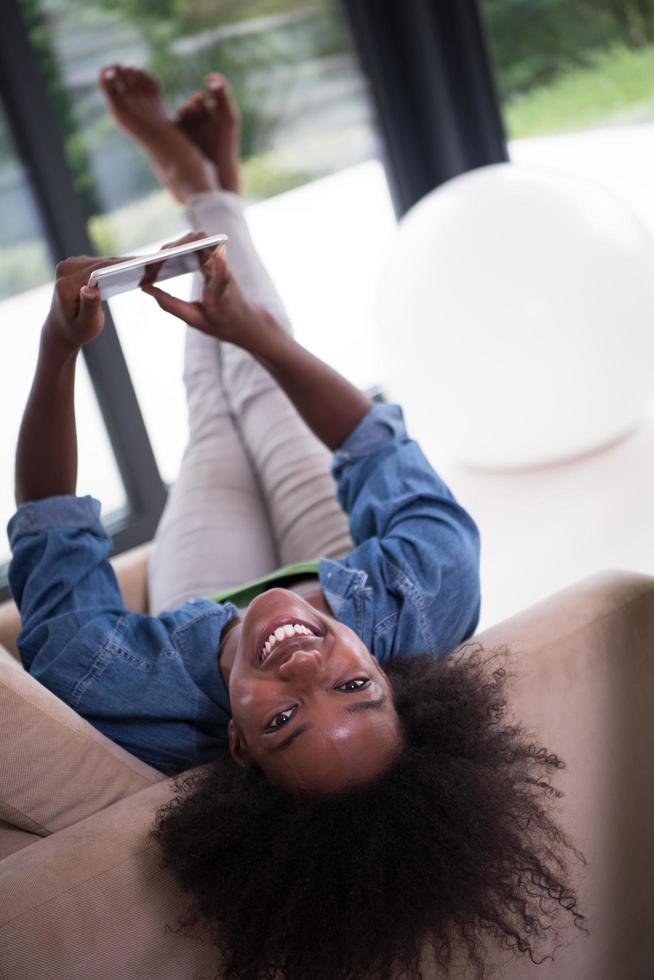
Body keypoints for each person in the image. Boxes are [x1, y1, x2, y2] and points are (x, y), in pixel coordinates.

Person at [7, 64, 585, 980]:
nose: (305, 669)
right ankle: (200, 183)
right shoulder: (427, 590)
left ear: (235, 744)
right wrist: (261, 338)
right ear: (395, 679)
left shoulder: (118, 685)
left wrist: (53, 352)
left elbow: (48, 527)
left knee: (215, 408)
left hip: (203, 597)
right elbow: (369, 440)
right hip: (347, 563)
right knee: (256, 375)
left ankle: (205, 188)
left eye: (283, 724)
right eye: (355, 690)